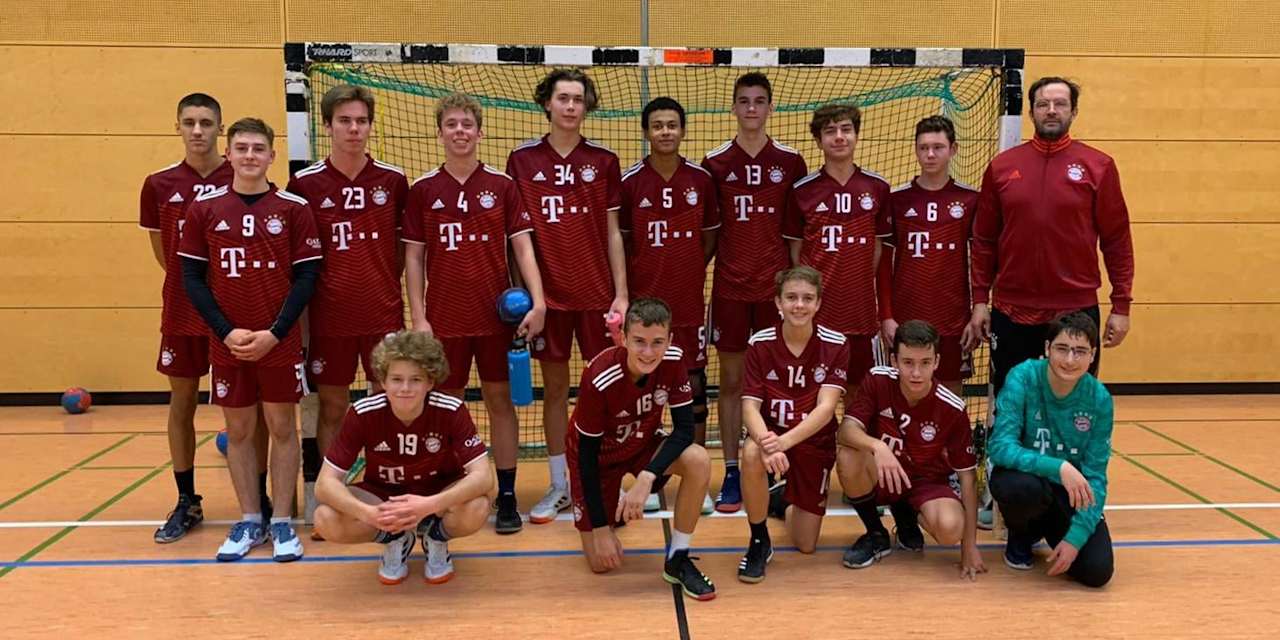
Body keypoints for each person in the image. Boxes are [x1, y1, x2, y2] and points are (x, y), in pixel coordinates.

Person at [178, 118, 321, 562]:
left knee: (282, 428)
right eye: (241, 148)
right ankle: (250, 519)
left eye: (258, 148)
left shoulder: (294, 208)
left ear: (272, 156)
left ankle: (282, 521)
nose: (250, 156)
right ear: (229, 153)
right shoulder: (204, 209)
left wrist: (276, 333)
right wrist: (226, 331)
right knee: (238, 431)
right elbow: (191, 277)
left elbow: (307, 278)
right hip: (229, 343)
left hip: (279, 342)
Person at [404, 92, 546, 534]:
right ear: (440, 133)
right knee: (442, 407)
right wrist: (419, 318)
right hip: (444, 320)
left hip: (494, 320)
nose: (460, 131)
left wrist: (539, 301)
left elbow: (523, 248)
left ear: (480, 132)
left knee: (501, 403)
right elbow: (414, 258)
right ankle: (443, 492)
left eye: (467, 124)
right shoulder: (423, 190)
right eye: (452, 124)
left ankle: (507, 495)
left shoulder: (502, 186)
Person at [505, 69, 628, 525]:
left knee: (607, 389)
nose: (571, 106)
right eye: (563, 98)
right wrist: (525, 295)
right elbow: (516, 237)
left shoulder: (604, 160)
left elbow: (614, 233)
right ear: (547, 103)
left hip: (597, 295)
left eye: (578, 99)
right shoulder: (522, 160)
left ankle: (605, 478)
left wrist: (621, 294)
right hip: (549, 299)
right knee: (555, 390)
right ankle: (561, 484)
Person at [285, 85, 408, 525]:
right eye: (344, 121)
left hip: (381, 314)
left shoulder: (393, 181)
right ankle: (332, 500)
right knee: (333, 407)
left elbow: (403, 251)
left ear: (370, 126)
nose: (354, 129)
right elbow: (297, 261)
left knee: (386, 405)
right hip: (329, 318)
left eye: (361, 121)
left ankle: (384, 493)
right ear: (327, 126)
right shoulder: (304, 184)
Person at [968, 76, 1135, 396]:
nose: (1051, 110)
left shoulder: (1099, 166)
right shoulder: (1002, 167)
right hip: (1011, 311)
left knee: (1072, 407)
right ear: (1031, 112)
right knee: (1012, 404)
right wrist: (979, 301)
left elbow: (1117, 241)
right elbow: (984, 241)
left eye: (1060, 104)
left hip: (1075, 311)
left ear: (1074, 111)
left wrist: (1121, 306)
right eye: (1043, 104)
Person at [702, 73, 808, 513]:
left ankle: (773, 464)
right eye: (744, 101)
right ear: (733, 107)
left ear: (770, 108)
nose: (751, 108)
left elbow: (797, 234)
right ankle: (731, 470)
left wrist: (796, 292)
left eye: (759, 101)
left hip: (775, 294)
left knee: (777, 383)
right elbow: (709, 233)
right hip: (730, 289)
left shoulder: (791, 161)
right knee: (731, 382)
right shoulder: (714, 163)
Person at [314, 330, 493, 585]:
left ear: (430, 382)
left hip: (437, 494)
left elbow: (484, 476)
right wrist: (370, 514)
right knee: (325, 518)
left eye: (415, 380)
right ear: (383, 381)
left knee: (479, 504)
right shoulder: (363, 413)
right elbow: (324, 484)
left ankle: (436, 536)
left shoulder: (451, 409)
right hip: (384, 494)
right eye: (397, 379)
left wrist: (429, 505)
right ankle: (394, 538)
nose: (405, 388)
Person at [566, 298, 715, 601]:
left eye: (657, 342)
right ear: (623, 338)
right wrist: (600, 530)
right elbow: (586, 458)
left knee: (698, 459)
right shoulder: (600, 376)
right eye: (639, 342)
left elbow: (685, 431)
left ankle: (678, 557)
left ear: (669, 340)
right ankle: (612, 508)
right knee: (602, 563)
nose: (648, 352)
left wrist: (647, 477)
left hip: (641, 444)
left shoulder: (674, 360)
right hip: (598, 459)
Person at [140, 93, 238, 543]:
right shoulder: (158, 184)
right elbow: (165, 256)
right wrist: (194, 288)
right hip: (183, 311)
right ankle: (186, 500)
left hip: (236, 311)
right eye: (189, 122)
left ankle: (255, 501)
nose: (198, 130)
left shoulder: (240, 175)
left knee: (244, 409)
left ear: (221, 128)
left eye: (206, 122)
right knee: (182, 402)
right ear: (177, 126)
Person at [619, 97, 719, 513]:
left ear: (682, 130)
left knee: (693, 390)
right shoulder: (630, 182)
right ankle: (648, 477)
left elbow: (709, 239)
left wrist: (689, 269)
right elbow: (623, 243)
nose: (665, 131)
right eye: (657, 125)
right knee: (641, 394)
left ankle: (697, 478)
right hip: (644, 309)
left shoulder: (701, 180)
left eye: (672, 124)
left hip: (688, 306)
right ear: (646, 132)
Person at [835, 320, 986, 580]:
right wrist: (877, 446)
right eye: (908, 362)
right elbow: (845, 430)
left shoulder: (952, 407)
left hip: (925, 481)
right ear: (894, 361)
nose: (916, 373)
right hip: (883, 473)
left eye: (925, 363)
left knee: (950, 530)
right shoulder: (878, 379)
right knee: (848, 454)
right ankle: (875, 533)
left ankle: (907, 514)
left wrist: (969, 546)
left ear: (936, 362)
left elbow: (967, 477)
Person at [736, 266, 848, 583]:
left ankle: (779, 498)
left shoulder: (836, 343)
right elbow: (749, 407)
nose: (799, 305)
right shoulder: (760, 343)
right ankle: (759, 540)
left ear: (818, 303)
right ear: (778, 302)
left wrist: (783, 443)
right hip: (771, 437)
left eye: (807, 298)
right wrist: (768, 442)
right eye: (792, 298)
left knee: (806, 544)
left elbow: (826, 409)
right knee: (751, 453)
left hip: (813, 442)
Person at [988, 312, 1114, 588]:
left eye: (1080, 351)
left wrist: (1075, 539)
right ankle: (1022, 533)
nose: (1069, 360)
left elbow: (1096, 477)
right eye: (1062, 348)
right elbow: (999, 446)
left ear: (1092, 356)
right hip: (1029, 481)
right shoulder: (1023, 377)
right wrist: (1059, 466)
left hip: (1068, 493)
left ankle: (1052, 530)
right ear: (1047, 348)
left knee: (1097, 571)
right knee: (1017, 487)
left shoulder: (1100, 399)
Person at [784, 103, 891, 393]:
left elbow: (878, 250)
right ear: (819, 141)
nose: (839, 137)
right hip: (816, 316)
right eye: (830, 131)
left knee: (860, 395)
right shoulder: (801, 190)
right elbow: (796, 254)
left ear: (857, 135)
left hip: (861, 314)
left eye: (846, 129)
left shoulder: (878, 187)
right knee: (813, 394)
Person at [880, 115, 980, 395]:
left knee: (950, 392)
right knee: (901, 389)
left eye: (938, 147)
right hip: (905, 317)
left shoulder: (971, 200)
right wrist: (886, 315)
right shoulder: (896, 199)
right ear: (915, 150)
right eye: (923, 148)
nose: (930, 154)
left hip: (953, 318)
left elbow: (980, 262)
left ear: (953, 149)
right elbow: (884, 264)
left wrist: (977, 309)